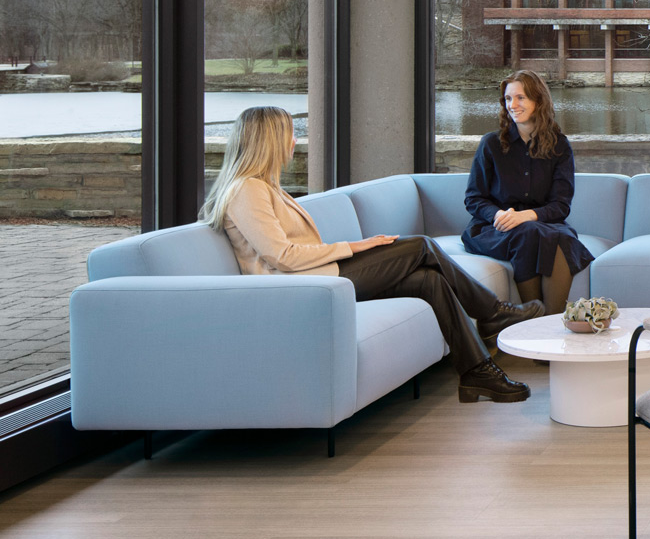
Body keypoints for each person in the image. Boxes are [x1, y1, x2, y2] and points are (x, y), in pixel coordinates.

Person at [202, 106, 540, 404]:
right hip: (301, 288)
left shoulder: (265, 187)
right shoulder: (247, 190)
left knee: (428, 280)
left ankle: (477, 372)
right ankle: (494, 313)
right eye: (290, 135)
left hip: (318, 277)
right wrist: (355, 246)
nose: (293, 143)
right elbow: (282, 256)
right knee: (422, 246)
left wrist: (353, 248)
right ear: (270, 141)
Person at [461, 70, 595, 314]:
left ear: (538, 101)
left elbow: (561, 205)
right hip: (494, 229)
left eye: (520, 98)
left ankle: (548, 325)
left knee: (561, 238)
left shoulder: (559, 146)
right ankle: (536, 323)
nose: (513, 105)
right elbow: (473, 198)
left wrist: (526, 215)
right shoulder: (491, 144)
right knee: (529, 233)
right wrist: (499, 215)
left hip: (542, 225)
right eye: (508, 99)